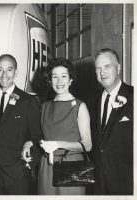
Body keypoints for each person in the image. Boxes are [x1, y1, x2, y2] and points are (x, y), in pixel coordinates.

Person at [0, 54, 42, 195]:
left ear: (16, 72)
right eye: (0, 69)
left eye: (9, 70)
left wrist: (27, 166)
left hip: (17, 175)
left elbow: (38, 137)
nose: (4, 74)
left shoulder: (28, 101)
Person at [38, 58, 92, 195]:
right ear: (50, 81)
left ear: (71, 80)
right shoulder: (44, 107)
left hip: (71, 165)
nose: (59, 81)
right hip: (47, 165)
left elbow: (87, 145)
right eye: (54, 77)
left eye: (64, 76)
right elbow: (41, 136)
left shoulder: (80, 106)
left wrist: (58, 144)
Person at [90, 48, 133, 195]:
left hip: (127, 183)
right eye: (98, 69)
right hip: (99, 184)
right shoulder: (91, 101)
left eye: (107, 66)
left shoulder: (133, 96)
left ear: (119, 68)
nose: (102, 72)